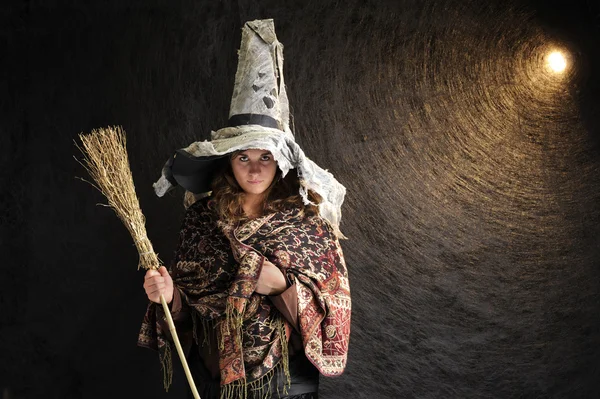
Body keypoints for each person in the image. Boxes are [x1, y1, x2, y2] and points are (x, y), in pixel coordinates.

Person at [137, 19, 351, 399]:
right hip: (212, 386)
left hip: (287, 390)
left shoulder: (306, 223)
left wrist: (282, 287)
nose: (254, 169)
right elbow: (189, 317)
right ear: (227, 161)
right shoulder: (201, 220)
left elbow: (331, 314)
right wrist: (170, 296)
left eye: (265, 157)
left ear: (282, 161)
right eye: (243, 156)